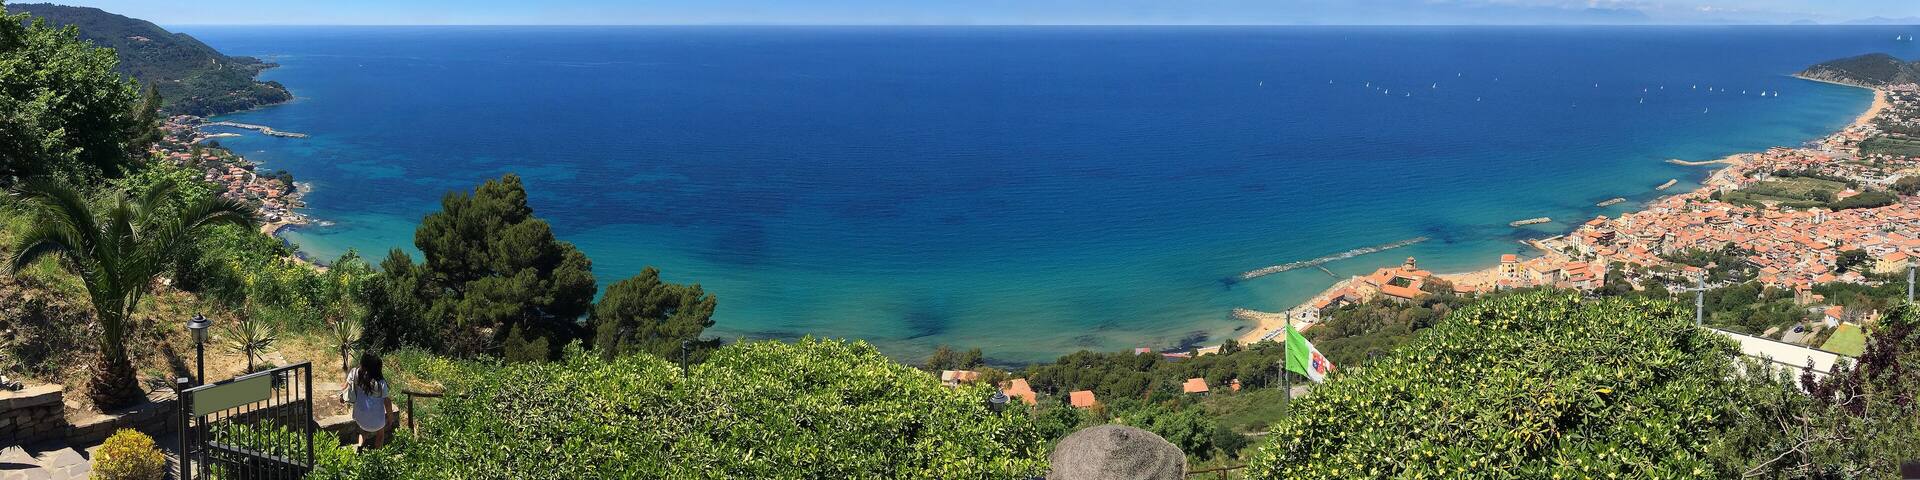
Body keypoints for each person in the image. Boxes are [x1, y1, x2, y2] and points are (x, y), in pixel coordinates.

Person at [341, 352, 393, 448]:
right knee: (380, 433)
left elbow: (344, 387)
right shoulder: (381, 384)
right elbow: (388, 403)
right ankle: (377, 453)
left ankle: (360, 446)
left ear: (362, 364)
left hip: (360, 418)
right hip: (377, 422)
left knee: (363, 431)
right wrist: (390, 418)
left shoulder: (355, 373)